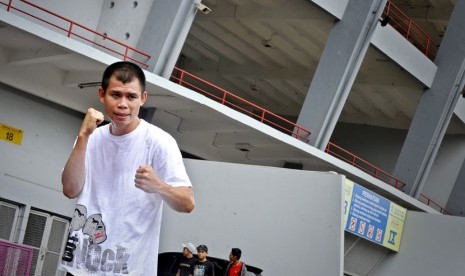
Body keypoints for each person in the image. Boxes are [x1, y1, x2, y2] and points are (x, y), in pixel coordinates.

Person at [59, 61, 195, 276]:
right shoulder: (90, 138)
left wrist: (159, 186)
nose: (123, 104)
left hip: (127, 270)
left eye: (131, 97)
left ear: (143, 98)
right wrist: (83, 136)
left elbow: (187, 202)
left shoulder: (159, 142)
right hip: (80, 267)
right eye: (116, 95)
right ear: (102, 95)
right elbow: (70, 189)